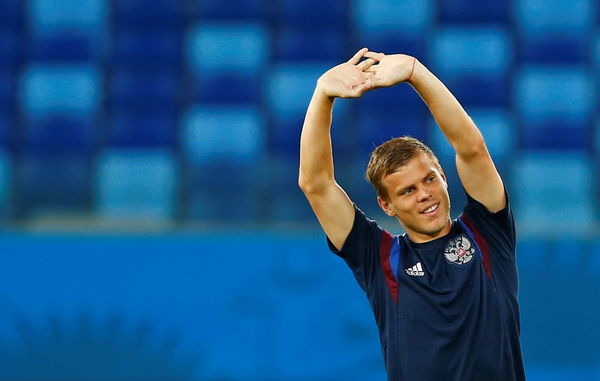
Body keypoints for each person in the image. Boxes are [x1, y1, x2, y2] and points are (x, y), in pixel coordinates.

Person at [298, 48, 525, 381]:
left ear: (444, 178)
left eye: (429, 179)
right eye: (407, 191)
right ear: (386, 205)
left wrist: (416, 73)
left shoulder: (487, 231)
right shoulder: (379, 258)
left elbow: (472, 149)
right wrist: (322, 96)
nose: (424, 195)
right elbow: (315, 184)